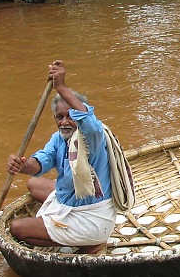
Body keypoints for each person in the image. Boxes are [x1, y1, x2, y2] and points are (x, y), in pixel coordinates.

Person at [6, 60, 115, 254]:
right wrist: (21, 166)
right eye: (59, 117)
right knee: (33, 183)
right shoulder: (58, 138)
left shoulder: (93, 137)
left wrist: (61, 87)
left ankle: (91, 243)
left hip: (92, 218)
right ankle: (67, 230)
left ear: (78, 117)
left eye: (70, 116)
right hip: (71, 201)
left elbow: (89, 120)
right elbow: (40, 162)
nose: (64, 122)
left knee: (17, 228)